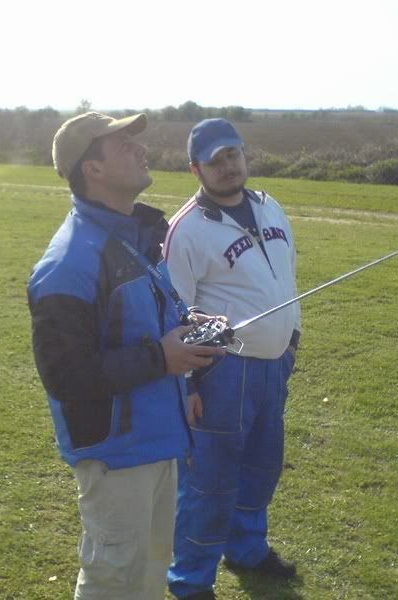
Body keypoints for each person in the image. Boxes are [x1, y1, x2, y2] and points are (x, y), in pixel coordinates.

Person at [27, 111, 224, 600]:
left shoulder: (135, 237)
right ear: (92, 169)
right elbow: (66, 377)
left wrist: (187, 330)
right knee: (113, 583)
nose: (142, 150)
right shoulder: (68, 263)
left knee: (149, 577)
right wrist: (161, 357)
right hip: (116, 457)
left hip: (160, 441)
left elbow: (142, 325)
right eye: (123, 145)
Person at [163, 118, 301, 599]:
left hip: (274, 365)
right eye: (214, 160)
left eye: (232, 155)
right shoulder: (186, 230)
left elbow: (287, 276)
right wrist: (187, 386)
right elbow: (172, 313)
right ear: (195, 169)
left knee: (262, 466)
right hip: (221, 372)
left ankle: (247, 550)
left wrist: (291, 341)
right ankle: (191, 580)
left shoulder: (270, 207)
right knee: (210, 481)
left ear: (244, 155)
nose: (227, 166)